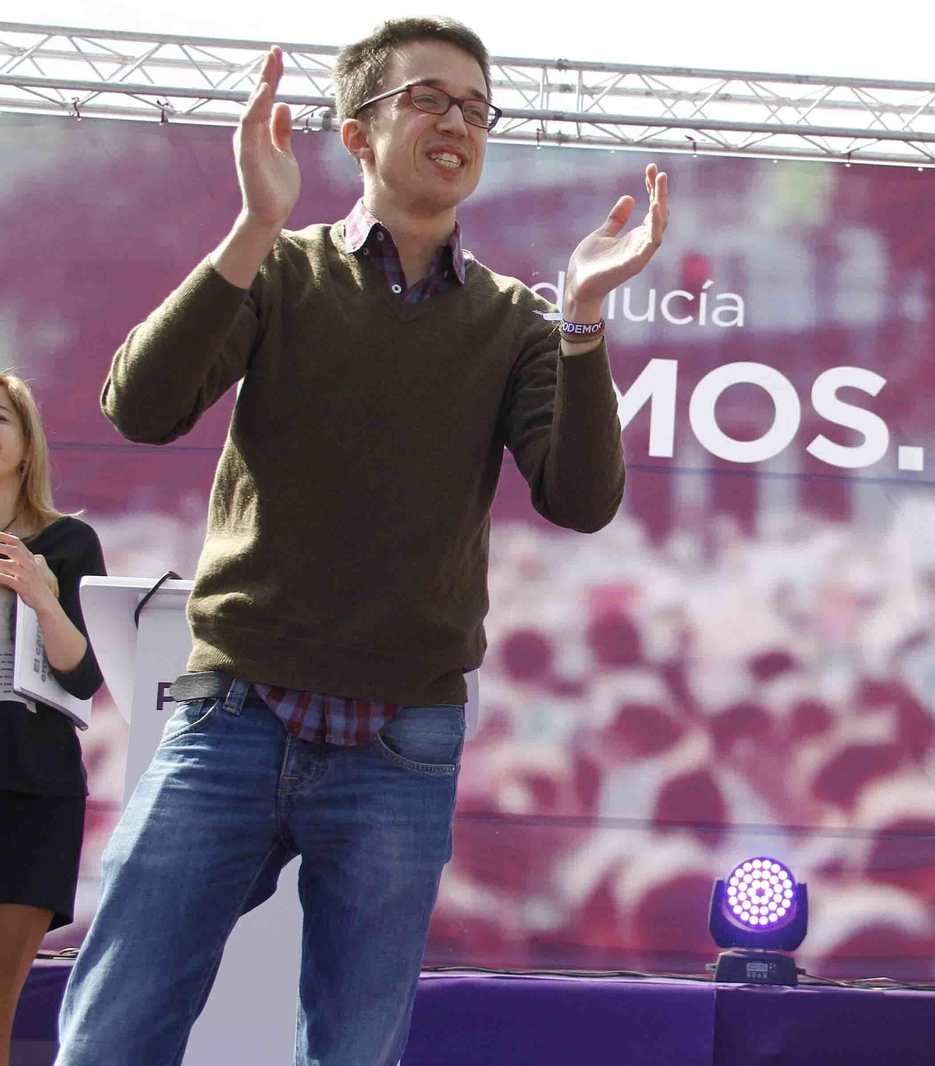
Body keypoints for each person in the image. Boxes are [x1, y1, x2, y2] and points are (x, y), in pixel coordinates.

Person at [54, 16, 665, 1065]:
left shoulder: (518, 320)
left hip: (402, 743)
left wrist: (583, 318)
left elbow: (579, 496)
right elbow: (141, 405)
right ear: (355, 133)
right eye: (429, 98)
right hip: (232, 714)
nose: (458, 123)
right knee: (113, 1033)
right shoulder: (282, 272)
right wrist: (253, 222)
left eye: (476, 108)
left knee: (353, 1050)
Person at [0, 371, 105, 1066]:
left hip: (30, 782)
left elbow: (86, 673)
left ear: (26, 445)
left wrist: (41, 592)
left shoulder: (68, 543)